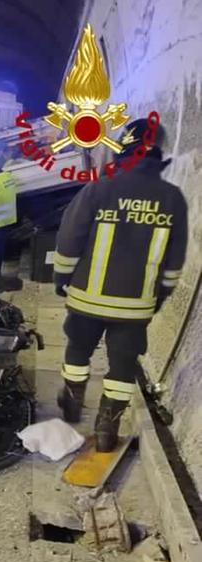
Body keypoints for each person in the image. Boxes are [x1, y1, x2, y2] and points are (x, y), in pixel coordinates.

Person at [54, 118, 187, 451]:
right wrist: (158, 298)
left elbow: (70, 238)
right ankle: (106, 430)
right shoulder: (172, 199)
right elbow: (174, 261)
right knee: (123, 366)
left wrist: (61, 278)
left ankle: (72, 403)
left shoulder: (100, 188)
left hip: (87, 299)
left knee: (78, 351)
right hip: (135, 305)